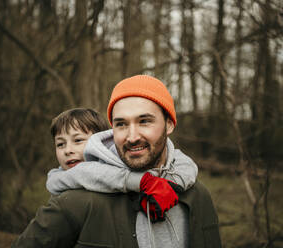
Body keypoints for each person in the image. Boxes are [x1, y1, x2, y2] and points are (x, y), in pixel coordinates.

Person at [12, 75, 221, 248]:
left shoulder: (197, 196)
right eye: (121, 124)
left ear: (169, 124)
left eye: (144, 121)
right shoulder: (76, 201)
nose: (132, 137)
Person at [47, 108, 198, 220]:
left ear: (101, 142)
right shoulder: (59, 180)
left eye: (78, 140)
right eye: (60, 144)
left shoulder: (120, 159)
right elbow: (84, 173)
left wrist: (169, 184)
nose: (68, 150)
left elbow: (181, 160)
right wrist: (144, 181)